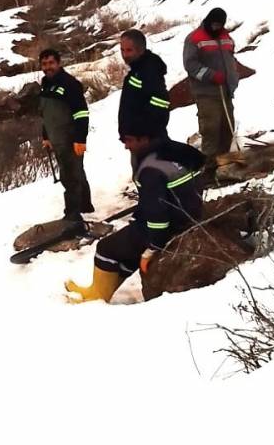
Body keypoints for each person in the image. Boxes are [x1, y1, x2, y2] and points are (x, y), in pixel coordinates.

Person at [64, 120, 205, 303]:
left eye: (129, 140)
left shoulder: (150, 170)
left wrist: (153, 248)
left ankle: (97, 296)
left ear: (144, 139)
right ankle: (98, 290)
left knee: (105, 248)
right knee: (125, 246)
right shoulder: (172, 153)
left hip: (171, 226)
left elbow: (157, 215)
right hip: (187, 215)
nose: (126, 146)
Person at [39, 48, 94, 222]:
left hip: (71, 139)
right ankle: (86, 205)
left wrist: (80, 139)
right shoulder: (45, 84)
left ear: (59, 63)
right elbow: (46, 114)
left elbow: (81, 113)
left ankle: (72, 214)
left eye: (51, 63)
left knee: (69, 177)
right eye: (44, 64)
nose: (48, 67)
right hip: (57, 139)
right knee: (77, 172)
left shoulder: (70, 84)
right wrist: (46, 136)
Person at [183, 7, 239, 161]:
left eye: (219, 25)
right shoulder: (194, 39)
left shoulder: (226, 37)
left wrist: (233, 78)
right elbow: (190, 65)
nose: (215, 28)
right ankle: (208, 166)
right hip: (206, 93)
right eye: (213, 24)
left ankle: (224, 162)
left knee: (227, 128)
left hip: (225, 91)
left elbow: (230, 59)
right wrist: (211, 75)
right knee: (211, 129)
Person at [117, 28, 170, 140]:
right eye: (122, 50)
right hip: (136, 139)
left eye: (129, 50)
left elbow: (161, 101)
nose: (125, 55)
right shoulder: (137, 70)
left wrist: (141, 133)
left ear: (141, 50)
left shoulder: (149, 70)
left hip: (146, 140)